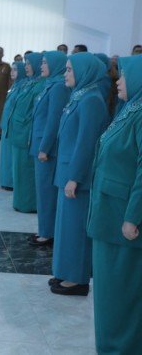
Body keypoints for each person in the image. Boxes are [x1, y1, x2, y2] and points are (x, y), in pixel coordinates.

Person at [88, 55, 142, 353]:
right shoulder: (130, 108)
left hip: (123, 220)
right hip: (108, 213)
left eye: (123, 76)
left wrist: (133, 217)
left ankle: (122, 348)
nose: (117, 81)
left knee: (120, 291)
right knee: (109, 291)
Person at [50, 52, 109, 296]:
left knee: (75, 228)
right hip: (66, 170)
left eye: (69, 70)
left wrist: (75, 177)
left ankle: (77, 279)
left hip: (76, 177)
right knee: (65, 226)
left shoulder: (91, 100)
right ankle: (65, 271)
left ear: (83, 71)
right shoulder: (80, 95)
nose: (65, 74)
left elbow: (86, 143)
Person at [28, 51, 71, 246]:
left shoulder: (58, 87)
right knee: (42, 190)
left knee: (46, 191)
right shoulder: (51, 84)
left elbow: (53, 120)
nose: (41, 66)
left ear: (55, 64)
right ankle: (44, 229)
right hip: (39, 143)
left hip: (47, 149)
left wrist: (45, 148)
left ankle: (47, 233)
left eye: (45, 63)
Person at [7, 52, 46, 213]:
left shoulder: (41, 85)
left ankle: (28, 204)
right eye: (26, 64)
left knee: (26, 171)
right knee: (19, 170)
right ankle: (20, 201)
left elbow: (36, 113)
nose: (26, 67)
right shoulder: (30, 83)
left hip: (26, 135)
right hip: (18, 133)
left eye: (29, 64)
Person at [0, 61, 27, 191]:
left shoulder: (23, 87)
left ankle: (10, 182)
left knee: (11, 156)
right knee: (5, 156)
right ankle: (5, 180)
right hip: (7, 125)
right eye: (12, 69)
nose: (12, 72)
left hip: (13, 126)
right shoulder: (15, 85)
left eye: (15, 70)